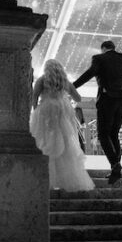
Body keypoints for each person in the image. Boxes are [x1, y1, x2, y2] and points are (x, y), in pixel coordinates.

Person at [73, 40, 122, 184]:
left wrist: (72, 87)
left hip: (107, 100)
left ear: (103, 48)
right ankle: (115, 169)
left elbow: (89, 74)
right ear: (113, 48)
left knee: (103, 135)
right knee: (114, 134)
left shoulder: (99, 58)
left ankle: (115, 164)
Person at [30, 59, 94, 192]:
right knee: (65, 142)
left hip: (46, 111)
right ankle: (65, 178)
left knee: (45, 140)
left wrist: (35, 112)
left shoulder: (42, 80)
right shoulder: (65, 82)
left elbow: (34, 97)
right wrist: (65, 98)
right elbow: (78, 98)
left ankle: (44, 177)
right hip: (62, 111)